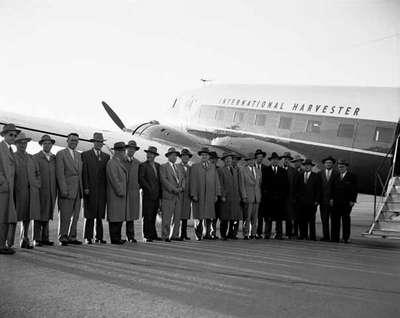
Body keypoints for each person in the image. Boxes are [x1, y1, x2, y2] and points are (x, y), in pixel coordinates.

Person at [13, 133, 41, 249]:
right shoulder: (12, 157)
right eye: (20, 143)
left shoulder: (31, 157)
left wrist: (37, 184)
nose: (23, 145)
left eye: (25, 143)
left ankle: (25, 239)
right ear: (16, 144)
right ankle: (8, 242)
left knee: (27, 217)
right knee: (14, 217)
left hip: (31, 192)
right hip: (17, 192)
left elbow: (38, 173)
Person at [81, 132, 110, 244]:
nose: (99, 144)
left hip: (101, 191)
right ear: (93, 142)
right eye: (97, 141)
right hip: (90, 189)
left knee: (99, 215)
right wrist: (86, 187)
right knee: (89, 214)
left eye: (101, 142)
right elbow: (84, 173)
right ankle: (88, 237)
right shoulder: (85, 155)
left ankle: (99, 237)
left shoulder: (106, 157)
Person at [56, 133, 83, 246]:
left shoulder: (78, 155)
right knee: (65, 215)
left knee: (75, 216)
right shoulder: (61, 154)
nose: (74, 142)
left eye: (76, 140)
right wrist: (63, 189)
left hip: (78, 190)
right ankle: (63, 236)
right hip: (67, 189)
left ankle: (72, 236)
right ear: (67, 141)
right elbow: (60, 173)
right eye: (72, 140)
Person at [190, 147, 221, 240]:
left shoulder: (212, 167)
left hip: (209, 195)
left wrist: (216, 194)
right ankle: (198, 235)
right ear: (200, 156)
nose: (204, 156)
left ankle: (207, 234)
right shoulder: (195, 166)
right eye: (202, 155)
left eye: (206, 155)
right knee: (198, 216)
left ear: (208, 157)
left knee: (208, 215)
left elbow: (216, 181)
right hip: (199, 194)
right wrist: (193, 194)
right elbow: (192, 181)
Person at [33, 135, 57, 247]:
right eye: (45, 143)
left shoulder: (54, 158)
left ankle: (45, 238)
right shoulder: (36, 157)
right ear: (42, 144)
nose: (47, 145)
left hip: (51, 191)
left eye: (49, 143)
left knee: (47, 215)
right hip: (40, 190)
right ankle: (36, 239)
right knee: (38, 215)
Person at [0, 124, 19, 254]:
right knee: (1, 218)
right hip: (2, 189)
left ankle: (3, 244)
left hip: (9, 190)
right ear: (3, 135)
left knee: (6, 218)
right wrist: (3, 183)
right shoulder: (1, 148)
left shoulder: (10, 149)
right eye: (10, 135)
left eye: (14, 135)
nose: (13, 137)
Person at [262, 152, 288, 239]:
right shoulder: (266, 170)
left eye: (276, 160)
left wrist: (282, 196)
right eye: (273, 159)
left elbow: (286, 185)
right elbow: (263, 184)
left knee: (279, 218)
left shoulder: (283, 171)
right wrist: (267, 195)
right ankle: (267, 234)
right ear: (270, 160)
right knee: (268, 218)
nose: (275, 161)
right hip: (269, 199)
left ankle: (279, 234)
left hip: (280, 199)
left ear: (278, 161)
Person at [160, 147, 185, 242]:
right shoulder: (163, 167)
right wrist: (174, 189)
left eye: (176, 155)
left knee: (177, 217)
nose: (175, 157)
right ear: (168, 156)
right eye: (173, 155)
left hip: (178, 195)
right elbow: (164, 180)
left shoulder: (179, 167)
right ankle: (165, 235)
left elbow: (183, 179)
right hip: (169, 195)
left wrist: (182, 188)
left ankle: (175, 235)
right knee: (167, 216)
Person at [330, 159, 358, 243]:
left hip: (346, 203)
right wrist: (331, 199)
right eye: (339, 167)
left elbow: (355, 190)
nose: (340, 168)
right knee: (335, 220)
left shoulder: (352, 177)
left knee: (345, 220)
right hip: (336, 202)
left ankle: (346, 238)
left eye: (342, 167)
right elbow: (332, 189)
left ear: (346, 167)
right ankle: (335, 238)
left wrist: (353, 200)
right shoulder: (335, 176)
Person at [106, 142, 128, 244]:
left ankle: (117, 237)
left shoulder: (118, 162)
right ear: (118, 152)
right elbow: (114, 179)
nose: (125, 153)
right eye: (124, 151)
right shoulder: (112, 163)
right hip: (116, 194)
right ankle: (114, 238)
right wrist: (120, 191)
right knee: (115, 217)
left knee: (119, 217)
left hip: (120, 194)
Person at [139, 146, 162, 242]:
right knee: (147, 215)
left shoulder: (157, 165)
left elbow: (159, 181)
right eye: (148, 153)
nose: (149, 155)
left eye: (151, 154)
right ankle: (146, 235)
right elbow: (141, 179)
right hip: (148, 194)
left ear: (154, 156)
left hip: (156, 195)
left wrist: (160, 194)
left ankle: (153, 234)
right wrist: (149, 189)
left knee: (153, 215)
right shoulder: (143, 165)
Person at [218, 152, 242, 240]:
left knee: (233, 216)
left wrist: (239, 196)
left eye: (230, 159)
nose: (229, 160)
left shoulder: (235, 170)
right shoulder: (221, 170)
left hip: (235, 197)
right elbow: (220, 184)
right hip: (226, 196)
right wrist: (222, 195)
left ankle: (231, 234)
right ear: (224, 161)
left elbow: (237, 184)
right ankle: (223, 235)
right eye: (226, 159)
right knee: (224, 217)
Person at [296, 159, 320, 240]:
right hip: (301, 202)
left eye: (308, 165)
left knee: (311, 219)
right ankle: (303, 235)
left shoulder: (315, 176)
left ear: (311, 166)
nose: (307, 166)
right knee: (302, 219)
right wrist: (298, 199)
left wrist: (317, 200)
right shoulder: (300, 175)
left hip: (312, 202)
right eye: (305, 165)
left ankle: (312, 236)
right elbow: (297, 188)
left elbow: (318, 189)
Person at [240, 152, 262, 240]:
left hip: (257, 196)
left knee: (255, 217)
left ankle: (253, 233)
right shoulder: (243, 170)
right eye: (249, 160)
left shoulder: (258, 170)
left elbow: (259, 184)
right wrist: (244, 196)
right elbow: (242, 184)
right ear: (247, 161)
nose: (251, 161)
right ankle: (246, 234)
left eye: (253, 160)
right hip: (248, 196)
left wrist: (259, 195)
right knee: (247, 217)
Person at [123, 140, 141, 243]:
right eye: (129, 148)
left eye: (133, 149)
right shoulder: (121, 160)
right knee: (120, 214)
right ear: (126, 149)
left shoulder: (137, 163)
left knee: (131, 215)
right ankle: (117, 236)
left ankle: (130, 236)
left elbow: (140, 177)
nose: (131, 150)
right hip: (123, 191)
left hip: (133, 192)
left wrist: (138, 186)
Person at [318, 156, 339, 241]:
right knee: (324, 219)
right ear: (324, 164)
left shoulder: (337, 174)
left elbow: (338, 188)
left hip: (333, 201)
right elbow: (318, 187)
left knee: (334, 220)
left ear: (333, 164)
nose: (328, 164)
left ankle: (334, 237)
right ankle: (325, 236)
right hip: (323, 201)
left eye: (330, 163)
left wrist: (333, 198)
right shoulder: (320, 173)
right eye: (327, 163)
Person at [281, 152, 298, 239]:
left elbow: (296, 185)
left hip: (290, 197)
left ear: (290, 160)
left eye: (288, 159)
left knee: (289, 216)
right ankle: (278, 232)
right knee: (279, 216)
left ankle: (289, 233)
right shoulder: (279, 169)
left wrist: (294, 197)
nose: (286, 160)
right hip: (280, 197)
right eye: (285, 159)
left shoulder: (294, 171)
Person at [177, 148, 192, 240]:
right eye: (184, 156)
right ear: (181, 157)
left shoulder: (191, 168)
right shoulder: (177, 166)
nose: (185, 158)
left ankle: (184, 234)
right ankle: (177, 233)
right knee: (177, 214)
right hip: (179, 193)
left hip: (187, 194)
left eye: (187, 156)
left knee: (185, 215)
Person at [228, 154, 242, 239]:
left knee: (236, 216)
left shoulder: (239, 170)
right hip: (230, 196)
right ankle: (229, 232)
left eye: (236, 160)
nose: (235, 161)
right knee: (229, 216)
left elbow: (241, 184)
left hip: (238, 196)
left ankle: (234, 233)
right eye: (233, 159)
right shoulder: (228, 169)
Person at [254, 149, 267, 239]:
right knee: (252, 215)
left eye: (261, 157)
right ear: (256, 157)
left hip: (262, 196)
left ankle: (259, 232)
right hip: (253, 194)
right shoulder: (251, 167)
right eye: (258, 157)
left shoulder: (266, 168)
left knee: (261, 215)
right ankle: (252, 232)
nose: (260, 158)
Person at [209, 151, 220, 239]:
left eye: (215, 159)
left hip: (217, 195)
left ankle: (213, 233)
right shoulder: (206, 168)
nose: (214, 160)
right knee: (208, 215)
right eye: (212, 159)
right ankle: (207, 233)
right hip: (208, 195)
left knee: (215, 215)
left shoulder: (218, 169)